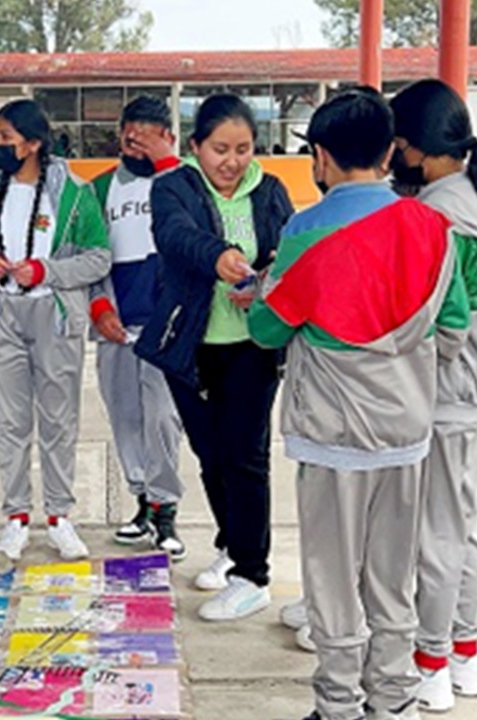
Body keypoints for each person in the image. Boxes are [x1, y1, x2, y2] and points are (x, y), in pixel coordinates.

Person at [247, 87, 471, 720]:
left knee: (331, 577)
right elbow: (451, 329)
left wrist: (264, 296)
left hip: (332, 435)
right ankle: (393, 700)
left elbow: (268, 329)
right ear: (388, 151)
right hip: (406, 433)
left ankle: (338, 704)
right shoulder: (433, 228)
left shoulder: (304, 231)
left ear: (320, 156)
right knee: (392, 577)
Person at [133, 94, 294, 621]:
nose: (232, 160)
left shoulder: (270, 191)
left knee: (246, 456)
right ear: (195, 146)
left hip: (251, 345)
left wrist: (265, 281)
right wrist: (218, 256)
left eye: (243, 149)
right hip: (192, 343)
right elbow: (176, 237)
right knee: (210, 452)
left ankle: (253, 573)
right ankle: (232, 543)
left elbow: (287, 253)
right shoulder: (173, 187)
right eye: (220, 148)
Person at [389, 79, 477, 714]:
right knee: (463, 524)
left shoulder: (436, 217)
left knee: (436, 533)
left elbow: (441, 325)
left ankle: (431, 662)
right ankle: (467, 651)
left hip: (450, 396)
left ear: (411, 148)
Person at [0, 99, 111, 563]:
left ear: (33, 144)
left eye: (5, 137)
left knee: (58, 421)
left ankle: (61, 517)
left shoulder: (74, 194)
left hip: (56, 316)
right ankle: (16, 518)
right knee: (9, 422)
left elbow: (98, 257)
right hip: (4, 314)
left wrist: (47, 271)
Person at [87, 96, 186, 559]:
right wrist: (100, 306)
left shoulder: (184, 181)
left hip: (167, 325)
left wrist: (164, 162)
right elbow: (87, 256)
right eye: (131, 136)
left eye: (149, 136)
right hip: (116, 324)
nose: (138, 145)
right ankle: (142, 501)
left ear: (167, 137)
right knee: (125, 416)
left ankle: (166, 509)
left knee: (163, 419)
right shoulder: (99, 190)